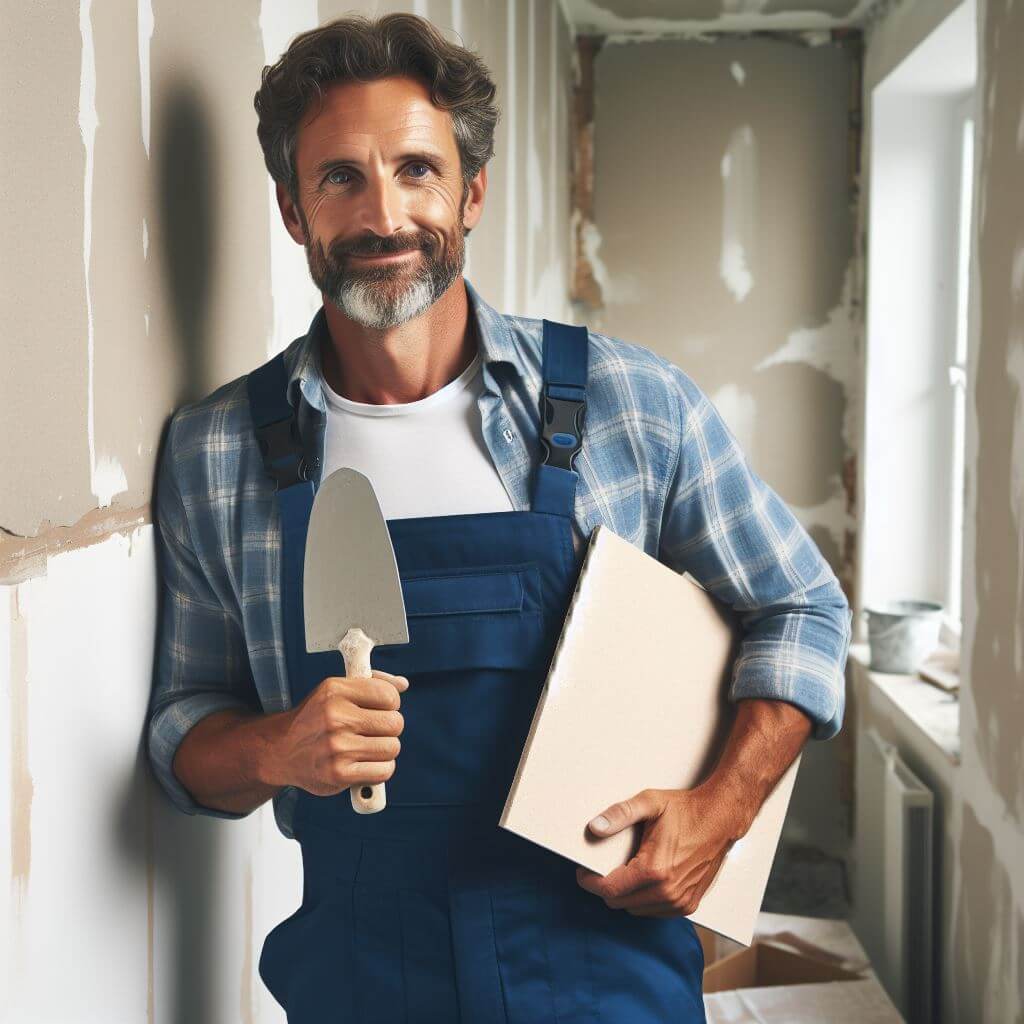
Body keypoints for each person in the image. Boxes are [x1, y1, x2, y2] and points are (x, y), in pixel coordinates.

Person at [145, 12, 852, 1023]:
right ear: (294, 211)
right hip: (361, 974)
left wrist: (720, 813)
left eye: (417, 170)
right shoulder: (217, 455)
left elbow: (805, 608)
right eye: (339, 176)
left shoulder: (629, 405)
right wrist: (273, 749)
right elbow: (184, 730)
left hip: (603, 957)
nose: (383, 215)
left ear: (471, 191)